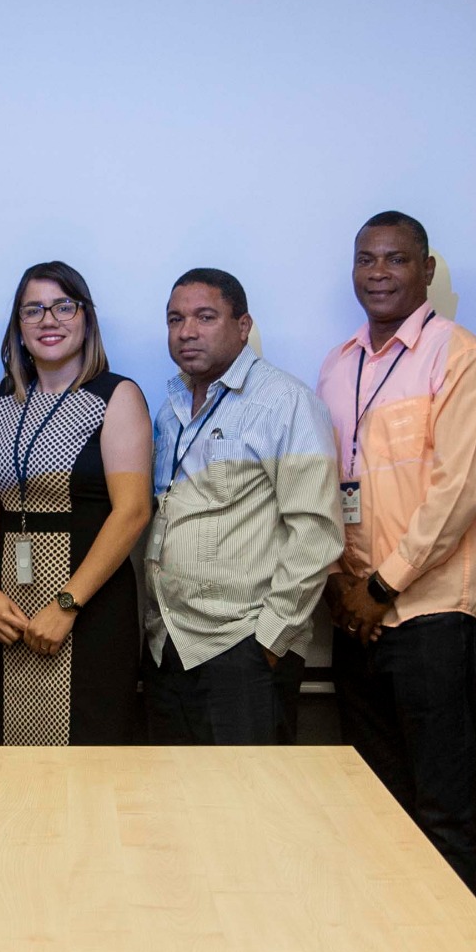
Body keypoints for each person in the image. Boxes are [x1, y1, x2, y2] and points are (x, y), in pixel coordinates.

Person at [317, 212, 476, 902]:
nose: (378, 273)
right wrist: (343, 585)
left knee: (445, 811)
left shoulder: (460, 357)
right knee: (379, 813)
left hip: (433, 615)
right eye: (366, 259)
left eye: (396, 259)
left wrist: (383, 586)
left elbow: (459, 492)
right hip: (357, 617)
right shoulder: (337, 366)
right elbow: (325, 485)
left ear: (427, 270)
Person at [142, 268, 342, 744]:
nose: (187, 331)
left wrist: (269, 641)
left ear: (243, 326)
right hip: (168, 643)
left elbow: (316, 532)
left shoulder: (285, 402)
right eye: (175, 319)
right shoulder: (169, 410)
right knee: (172, 790)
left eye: (205, 317)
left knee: (247, 793)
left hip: (241, 647)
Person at [0, 262, 153, 746]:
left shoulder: (117, 395)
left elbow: (133, 511)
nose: (48, 320)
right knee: (17, 748)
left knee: (91, 752)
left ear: (87, 318)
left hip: (89, 606)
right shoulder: (1, 397)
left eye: (63, 307)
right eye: (33, 310)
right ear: (18, 326)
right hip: (12, 607)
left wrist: (67, 604)